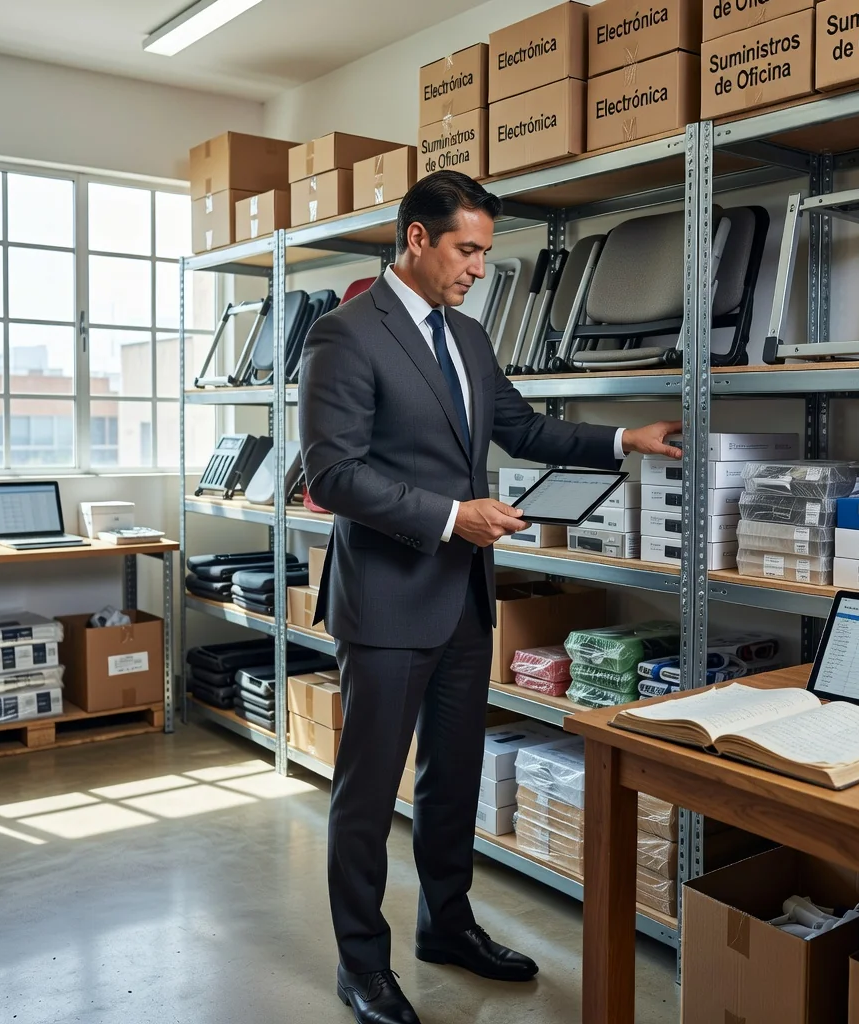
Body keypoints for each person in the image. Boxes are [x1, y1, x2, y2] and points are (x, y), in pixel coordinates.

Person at [299, 169, 682, 1024]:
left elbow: (524, 427)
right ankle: (361, 966)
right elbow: (334, 475)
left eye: (485, 251)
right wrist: (449, 516)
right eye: (467, 249)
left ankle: (448, 925)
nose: (478, 266)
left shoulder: (467, 338)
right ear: (417, 239)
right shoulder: (345, 336)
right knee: (367, 796)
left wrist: (627, 437)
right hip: (391, 602)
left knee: (452, 777)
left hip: (465, 599)